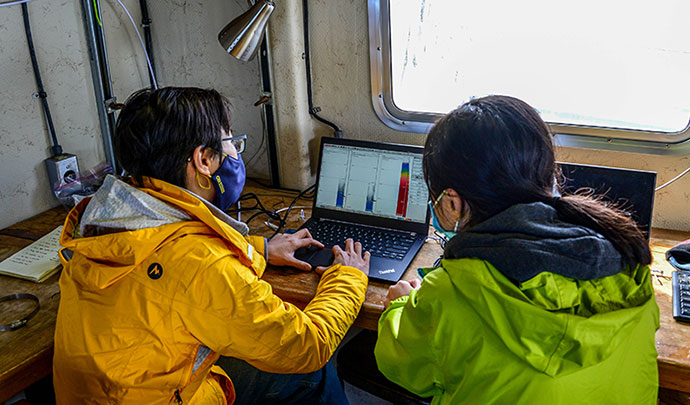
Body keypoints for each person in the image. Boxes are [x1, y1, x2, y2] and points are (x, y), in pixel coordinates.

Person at [53, 87, 370, 404]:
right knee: (310, 374)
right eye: (232, 142)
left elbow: (163, 258)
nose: (236, 153)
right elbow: (306, 346)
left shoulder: (105, 216)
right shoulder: (204, 265)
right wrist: (348, 277)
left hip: (106, 391)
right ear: (204, 160)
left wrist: (258, 249)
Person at [374, 95, 659, 404]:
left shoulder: (450, 293)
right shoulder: (628, 263)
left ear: (452, 202)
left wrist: (399, 306)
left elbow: (402, 366)